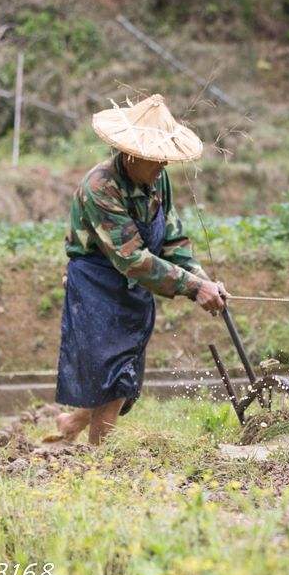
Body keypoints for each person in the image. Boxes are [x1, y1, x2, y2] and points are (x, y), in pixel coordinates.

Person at [47, 94, 228, 445]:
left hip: (134, 284)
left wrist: (202, 279)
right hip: (98, 284)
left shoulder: (157, 180)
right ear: (131, 155)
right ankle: (99, 456)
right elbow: (132, 259)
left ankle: (72, 423)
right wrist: (191, 287)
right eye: (156, 159)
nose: (162, 166)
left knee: (123, 373)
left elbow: (172, 240)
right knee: (114, 371)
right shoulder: (100, 187)